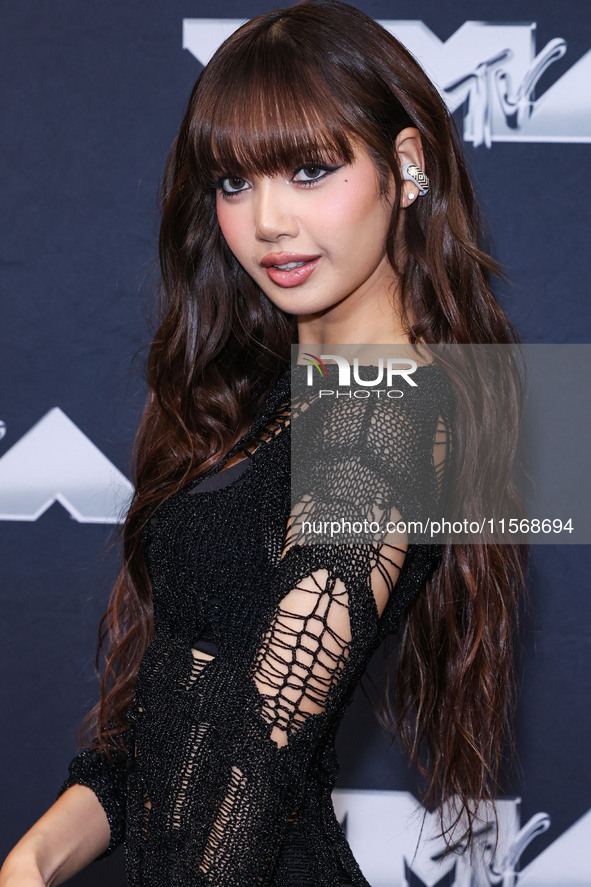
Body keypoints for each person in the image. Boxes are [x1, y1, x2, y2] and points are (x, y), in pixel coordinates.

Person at [0, 2, 527, 885]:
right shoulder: (267, 397)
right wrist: (32, 859)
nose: (267, 220)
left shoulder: (388, 409)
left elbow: (258, 755)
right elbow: (169, 718)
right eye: (234, 183)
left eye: (310, 170)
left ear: (405, 168)